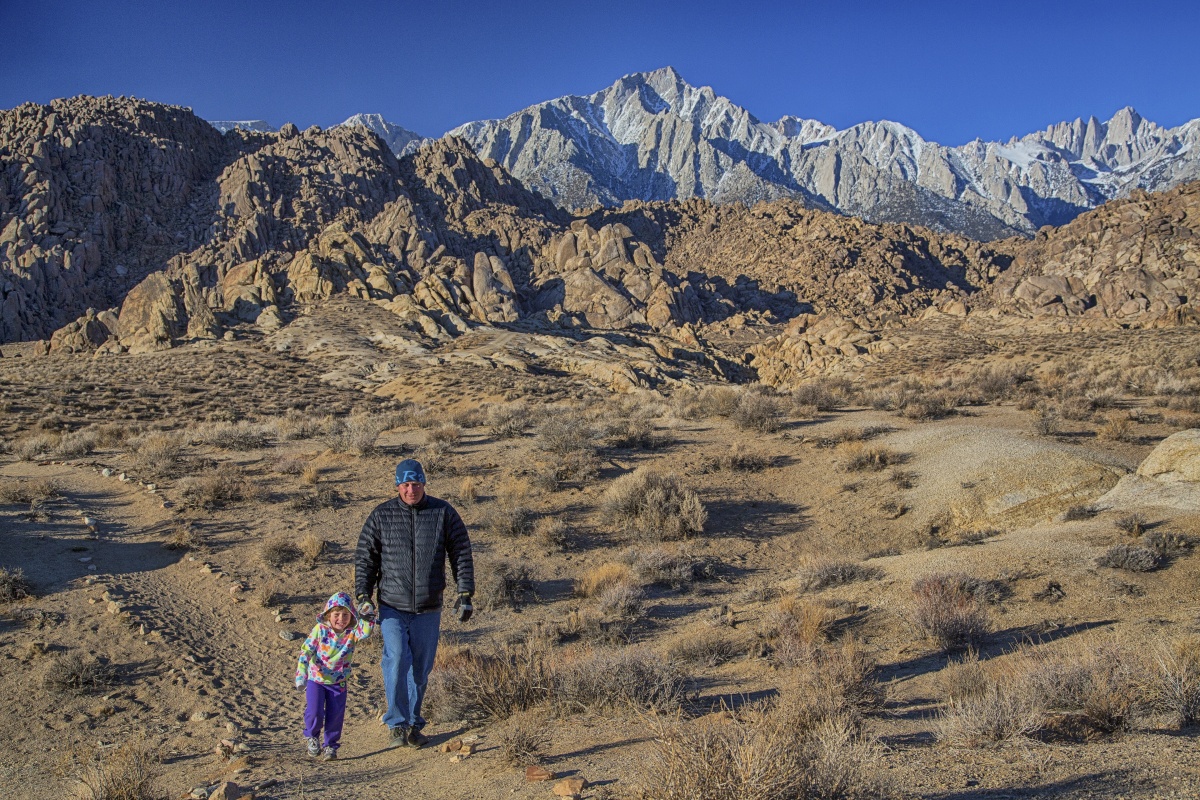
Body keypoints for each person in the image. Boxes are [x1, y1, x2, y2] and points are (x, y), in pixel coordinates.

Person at [355, 458, 474, 748]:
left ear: (424, 484)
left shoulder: (443, 512)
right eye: (406, 484)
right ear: (397, 485)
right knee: (395, 661)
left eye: (416, 484)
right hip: (392, 605)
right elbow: (365, 557)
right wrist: (363, 595)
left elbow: (460, 552)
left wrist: (465, 592)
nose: (411, 490)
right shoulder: (381, 515)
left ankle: (413, 723)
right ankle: (396, 723)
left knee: (420, 670)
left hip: (428, 606)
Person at [294, 591, 377, 760]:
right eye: (336, 614)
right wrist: (301, 675)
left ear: (352, 615)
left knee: (336, 715)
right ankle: (312, 737)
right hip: (316, 679)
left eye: (345, 614)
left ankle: (331, 746)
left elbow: (366, 632)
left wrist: (367, 614)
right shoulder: (320, 629)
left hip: (338, 681)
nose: (341, 619)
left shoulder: (352, 632)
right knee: (314, 711)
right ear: (328, 614)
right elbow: (306, 651)